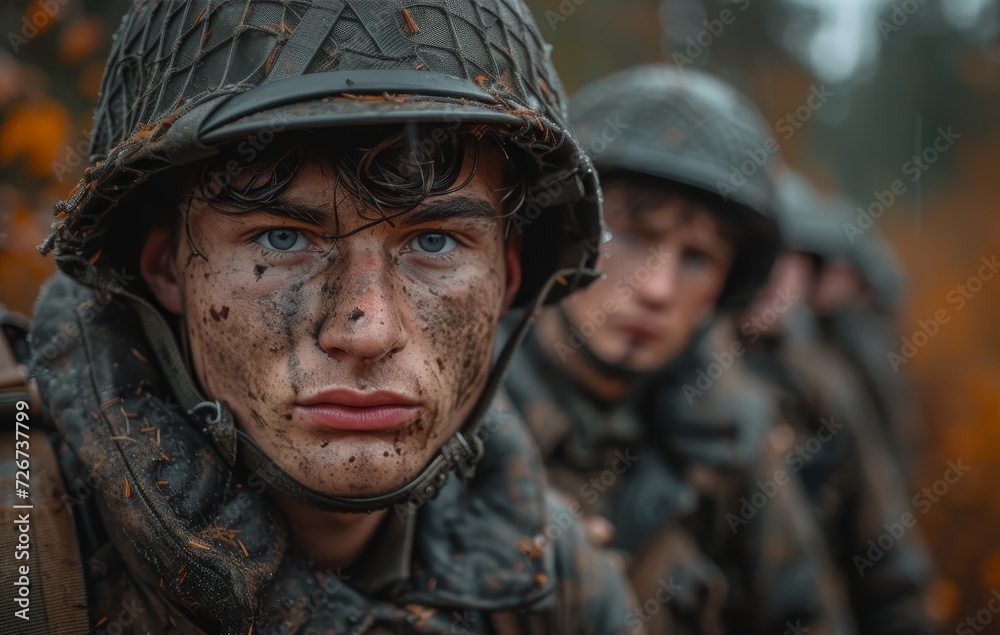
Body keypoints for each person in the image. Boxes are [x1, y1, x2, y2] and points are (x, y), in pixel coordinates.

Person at [0, 1, 643, 633]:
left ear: (508, 278)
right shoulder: (21, 546)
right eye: (282, 239)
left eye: (435, 242)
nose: (368, 332)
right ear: (166, 268)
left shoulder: (553, 584)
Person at [502, 65, 851, 634]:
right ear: (564, 233)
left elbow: (809, 613)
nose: (657, 290)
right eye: (630, 236)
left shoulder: (732, 437)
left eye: (697, 258)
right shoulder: (464, 417)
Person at [736, 169, 937, 633]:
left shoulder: (826, 386)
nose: (772, 275)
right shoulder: (677, 376)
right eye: (761, 252)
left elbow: (890, 563)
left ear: (812, 275)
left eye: (791, 258)